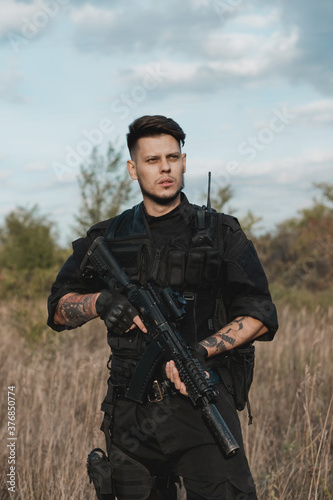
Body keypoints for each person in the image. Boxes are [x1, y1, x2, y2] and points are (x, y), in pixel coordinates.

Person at [47, 115, 278, 500]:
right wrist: (101, 303)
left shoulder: (220, 232)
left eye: (172, 157)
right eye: (152, 160)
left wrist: (201, 351)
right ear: (133, 169)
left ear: (184, 162)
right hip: (130, 412)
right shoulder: (108, 237)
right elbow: (58, 309)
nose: (165, 167)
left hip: (202, 403)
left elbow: (260, 312)